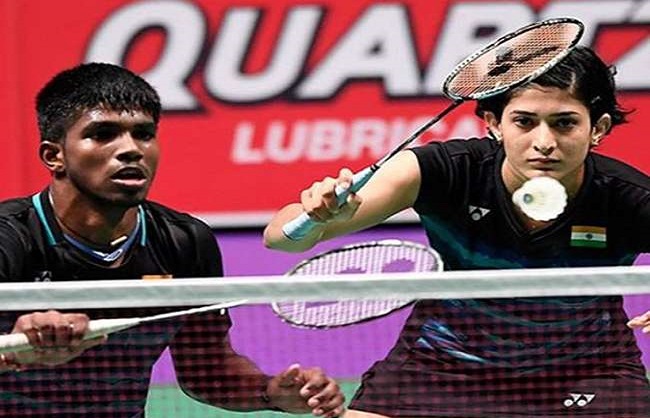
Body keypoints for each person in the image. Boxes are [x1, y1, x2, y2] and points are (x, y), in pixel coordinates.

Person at [264, 45, 650, 417]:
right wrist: (316, 216)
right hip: (441, 363)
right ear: (494, 124)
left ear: (597, 128)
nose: (544, 143)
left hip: (586, 369)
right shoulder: (446, 171)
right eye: (524, 121)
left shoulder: (628, 197)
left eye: (564, 123)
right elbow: (280, 239)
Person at [0, 62, 345, 418]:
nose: (131, 149)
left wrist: (270, 392)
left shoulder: (184, 242)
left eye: (144, 134)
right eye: (103, 134)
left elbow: (207, 370)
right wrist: (12, 347)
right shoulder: (10, 238)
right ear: (54, 156)